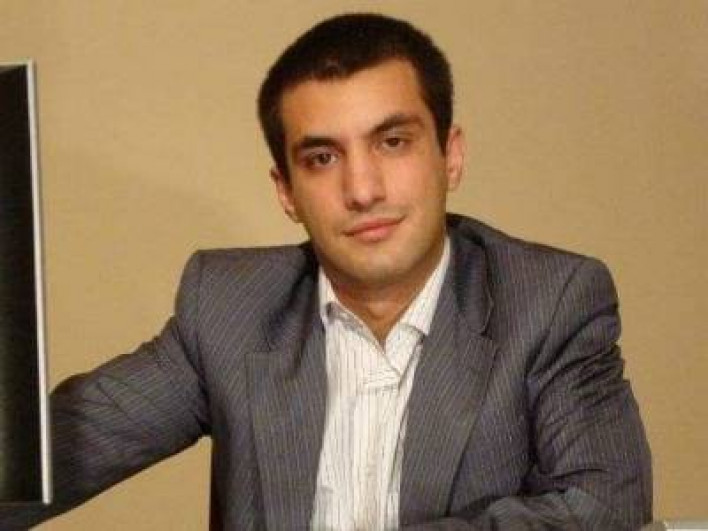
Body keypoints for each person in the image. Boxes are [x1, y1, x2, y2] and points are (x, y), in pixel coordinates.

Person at [0, 13, 651, 531]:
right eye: (321, 158)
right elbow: (30, 464)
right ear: (286, 190)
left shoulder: (550, 301)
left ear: (450, 155)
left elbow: (603, 509)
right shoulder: (227, 308)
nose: (362, 189)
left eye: (392, 142)